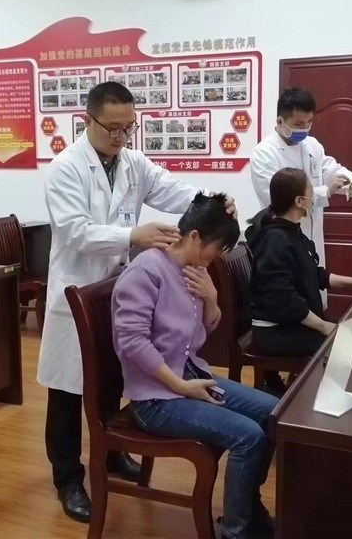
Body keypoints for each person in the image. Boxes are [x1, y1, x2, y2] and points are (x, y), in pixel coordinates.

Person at [38, 82, 235, 523]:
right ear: (87, 120)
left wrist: (211, 199)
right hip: (77, 289)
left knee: (111, 379)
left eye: (129, 127)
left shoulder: (131, 161)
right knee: (68, 391)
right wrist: (133, 235)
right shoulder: (66, 168)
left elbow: (171, 189)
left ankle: (111, 455)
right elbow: (74, 231)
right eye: (113, 128)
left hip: (114, 288)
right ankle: (68, 478)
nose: (122, 136)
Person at [113, 193, 278, 539]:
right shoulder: (146, 270)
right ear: (194, 237)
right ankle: (236, 531)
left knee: (274, 413)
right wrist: (180, 386)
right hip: (155, 398)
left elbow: (203, 330)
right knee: (249, 436)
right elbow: (132, 342)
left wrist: (211, 298)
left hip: (190, 375)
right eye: (215, 249)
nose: (215, 257)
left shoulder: (194, 269)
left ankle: (247, 508)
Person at [246, 168, 352, 395]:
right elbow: (284, 298)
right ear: (299, 201)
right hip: (275, 331)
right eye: (311, 191)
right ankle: (317, 403)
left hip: (292, 322)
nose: (314, 196)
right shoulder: (275, 240)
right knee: (344, 345)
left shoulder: (291, 232)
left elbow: (314, 274)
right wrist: (323, 326)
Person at [250, 87, 352, 304]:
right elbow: (279, 199)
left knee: (315, 287)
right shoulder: (263, 154)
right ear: (280, 121)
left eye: (309, 123)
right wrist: (326, 191)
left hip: (310, 234)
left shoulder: (311, 145)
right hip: (282, 237)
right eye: (299, 124)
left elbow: (329, 168)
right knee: (293, 298)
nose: (305, 129)